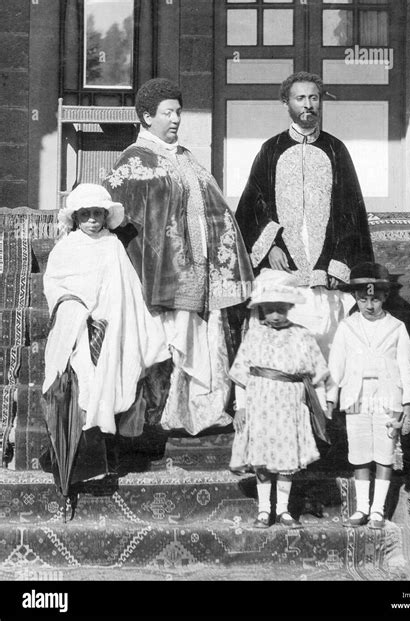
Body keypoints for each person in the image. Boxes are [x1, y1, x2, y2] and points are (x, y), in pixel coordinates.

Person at [103, 78, 253, 436]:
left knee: (207, 339)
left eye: (178, 112)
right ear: (146, 116)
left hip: (205, 270)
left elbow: (215, 207)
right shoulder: (133, 161)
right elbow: (121, 218)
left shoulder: (186, 157)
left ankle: (201, 411)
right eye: (168, 113)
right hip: (164, 275)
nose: (176, 119)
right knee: (172, 341)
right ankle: (161, 418)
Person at [235, 72, 374, 360]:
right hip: (283, 272)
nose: (308, 104)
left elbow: (350, 211)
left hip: (326, 272)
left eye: (314, 97)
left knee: (328, 349)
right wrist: (270, 246)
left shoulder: (336, 149)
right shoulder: (271, 150)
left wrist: (339, 263)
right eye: (300, 98)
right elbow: (252, 207)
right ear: (286, 103)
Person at [42, 184, 170, 492]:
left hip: (111, 325)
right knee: (82, 384)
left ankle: (109, 457)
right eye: (84, 215)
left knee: (113, 382)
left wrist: (117, 320)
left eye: (97, 214)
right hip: (77, 327)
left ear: (105, 215)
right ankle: (81, 462)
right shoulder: (67, 247)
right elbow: (55, 286)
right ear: (75, 218)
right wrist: (75, 311)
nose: (91, 221)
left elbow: (125, 288)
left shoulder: (113, 246)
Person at [229, 269, 333, 528]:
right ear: (262, 309)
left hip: (290, 407)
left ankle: (283, 510)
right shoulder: (254, 335)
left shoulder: (302, 335)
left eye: (280, 309)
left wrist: (322, 405)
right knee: (263, 459)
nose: (275, 315)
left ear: (289, 306)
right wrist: (240, 408)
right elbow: (241, 375)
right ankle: (264, 510)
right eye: (269, 309)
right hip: (260, 406)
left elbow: (317, 375)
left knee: (287, 459)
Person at [327, 262, 410, 529]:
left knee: (385, 453)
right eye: (363, 299)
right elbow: (336, 365)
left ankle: (378, 510)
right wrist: (331, 397)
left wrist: (407, 404)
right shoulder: (347, 327)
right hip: (357, 397)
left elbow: (405, 367)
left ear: (385, 297)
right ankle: (362, 507)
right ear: (355, 297)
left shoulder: (397, 327)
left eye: (375, 299)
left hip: (388, 397)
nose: (369, 305)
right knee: (360, 453)